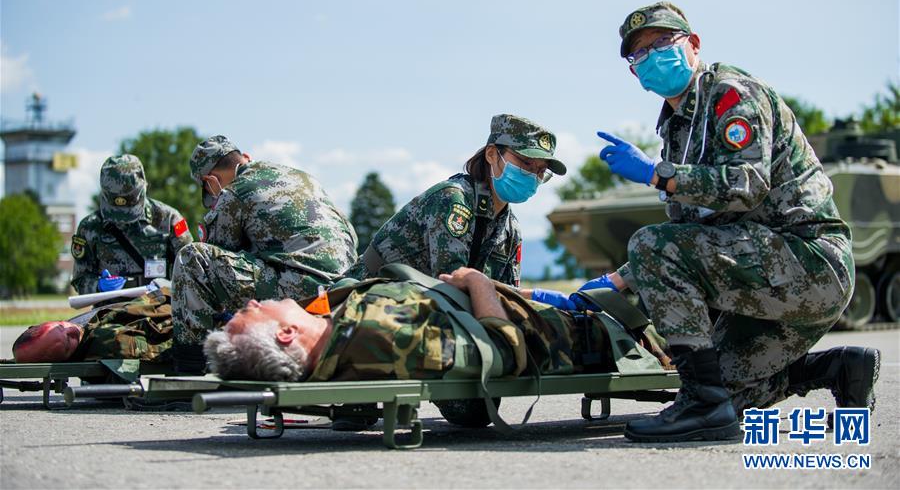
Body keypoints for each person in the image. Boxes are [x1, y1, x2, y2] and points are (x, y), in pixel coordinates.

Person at [575, 1, 879, 442]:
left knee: (650, 246)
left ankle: (704, 408)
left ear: (693, 45)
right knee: (723, 386)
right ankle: (838, 368)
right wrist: (615, 284)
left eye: (663, 43)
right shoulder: (676, 130)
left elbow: (747, 184)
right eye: (640, 54)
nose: (652, 57)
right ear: (634, 74)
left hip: (807, 260)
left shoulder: (732, 94)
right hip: (759, 268)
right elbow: (686, 235)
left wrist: (656, 173)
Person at [204, 267, 667, 387]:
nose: (248, 301)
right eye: (248, 312)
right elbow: (502, 355)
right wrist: (477, 281)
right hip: (600, 335)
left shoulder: (343, 329)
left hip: (559, 310)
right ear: (285, 334)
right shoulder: (378, 337)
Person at [171, 135, 358, 373]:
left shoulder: (234, 192)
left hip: (301, 288)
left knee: (193, 258)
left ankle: (190, 367)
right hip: (344, 288)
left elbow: (217, 255)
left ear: (210, 181)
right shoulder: (301, 176)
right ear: (245, 157)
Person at [344, 113, 566, 288]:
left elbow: (507, 292)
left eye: (541, 171)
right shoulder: (453, 200)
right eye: (526, 162)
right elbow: (451, 283)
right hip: (363, 300)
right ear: (491, 154)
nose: (532, 176)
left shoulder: (510, 228)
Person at [70, 155, 193, 295]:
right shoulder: (89, 227)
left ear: (143, 188)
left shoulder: (170, 219)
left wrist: (170, 286)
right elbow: (80, 280)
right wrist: (98, 286)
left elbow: (192, 270)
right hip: (110, 310)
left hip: (159, 308)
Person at [12, 283, 173, 364]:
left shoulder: (86, 327)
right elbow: (171, 344)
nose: (71, 331)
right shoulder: (110, 339)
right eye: (67, 343)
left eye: (61, 326)